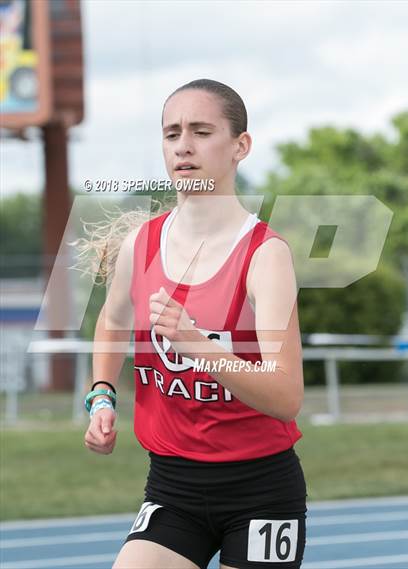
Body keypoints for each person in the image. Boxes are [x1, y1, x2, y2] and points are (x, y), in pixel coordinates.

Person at [82, 79, 307, 569]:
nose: (183, 145)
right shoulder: (140, 244)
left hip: (260, 491)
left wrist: (197, 345)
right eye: (171, 133)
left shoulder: (265, 256)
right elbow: (112, 319)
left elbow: (287, 396)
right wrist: (102, 394)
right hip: (172, 486)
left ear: (240, 146)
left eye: (201, 131)